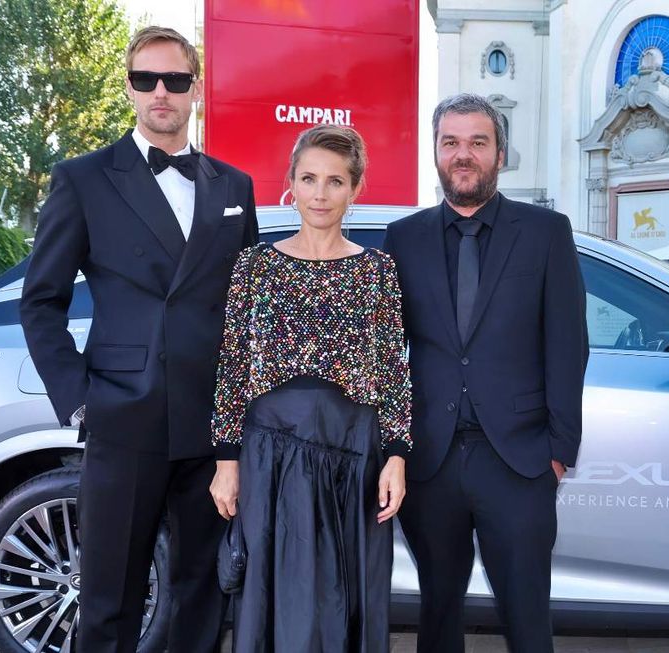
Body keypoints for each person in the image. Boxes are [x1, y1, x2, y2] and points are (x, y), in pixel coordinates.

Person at [18, 25, 258, 653]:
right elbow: (40, 302)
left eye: (175, 80)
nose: (161, 92)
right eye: (146, 79)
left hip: (212, 427)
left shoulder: (234, 186)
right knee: (109, 601)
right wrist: (79, 399)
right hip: (124, 418)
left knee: (203, 593)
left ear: (195, 89)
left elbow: (249, 306)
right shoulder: (84, 179)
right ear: (128, 87)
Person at [383, 93, 588, 652]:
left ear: (500, 152)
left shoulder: (546, 233)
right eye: (451, 142)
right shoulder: (404, 239)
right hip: (431, 461)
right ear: (436, 152)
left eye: (478, 142)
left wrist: (558, 451)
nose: (463, 154)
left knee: (526, 618)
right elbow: (383, 355)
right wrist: (392, 447)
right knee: (438, 611)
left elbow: (569, 346)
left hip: (520, 463)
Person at [209, 124, 412, 652]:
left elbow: (392, 367)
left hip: (353, 455)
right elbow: (232, 364)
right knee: (275, 595)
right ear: (290, 185)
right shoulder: (253, 265)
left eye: (335, 181)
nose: (320, 194)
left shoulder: (377, 270)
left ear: (355, 189)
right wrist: (226, 464)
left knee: (344, 599)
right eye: (309, 179)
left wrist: (396, 456)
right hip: (269, 455)